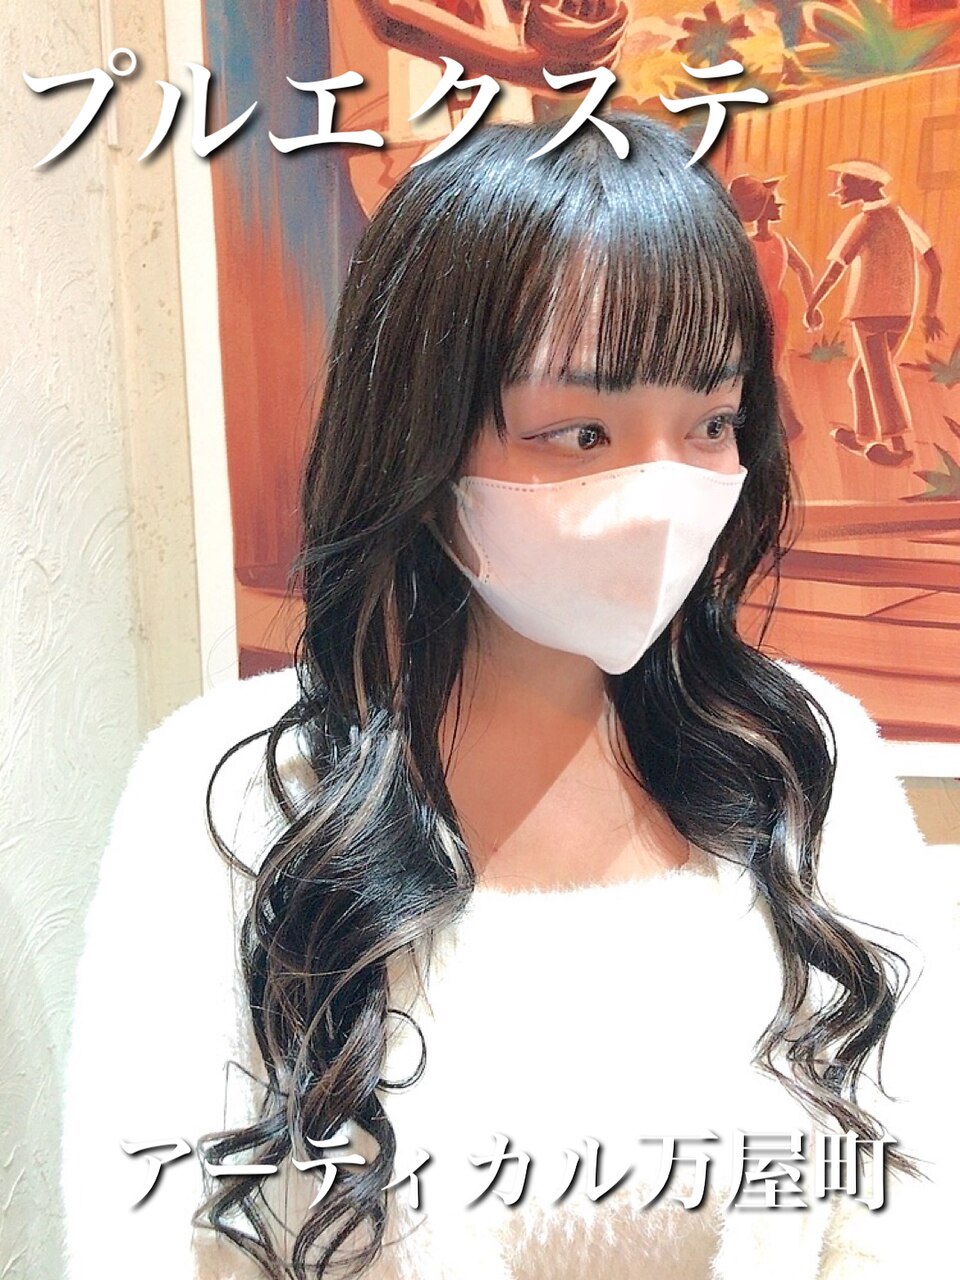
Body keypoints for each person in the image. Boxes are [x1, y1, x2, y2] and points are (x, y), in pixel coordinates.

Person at [62, 113, 956, 1279]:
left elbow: (911, 1199)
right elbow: (140, 1232)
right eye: (580, 431)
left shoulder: (802, 750)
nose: (662, 493)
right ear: (419, 433)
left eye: (712, 423)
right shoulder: (234, 789)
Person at [803, 160, 944, 468]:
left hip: (870, 313)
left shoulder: (864, 223)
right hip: (902, 314)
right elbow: (935, 266)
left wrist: (812, 304)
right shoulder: (902, 217)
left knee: (880, 377)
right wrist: (929, 311)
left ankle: (900, 448)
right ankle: (864, 437)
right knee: (861, 376)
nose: (839, 191)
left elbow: (836, 269)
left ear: (865, 186)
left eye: (845, 185)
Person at [728, 173, 818, 443]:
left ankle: (781, 425)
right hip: (764, 309)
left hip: (765, 310)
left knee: (765, 366)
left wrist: (812, 306)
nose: (780, 205)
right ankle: (783, 423)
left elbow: (803, 271)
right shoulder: (752, 242)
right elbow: (803, 271)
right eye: (774, 202)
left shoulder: (761, 243)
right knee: (764, 366)